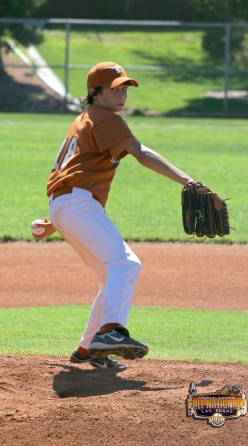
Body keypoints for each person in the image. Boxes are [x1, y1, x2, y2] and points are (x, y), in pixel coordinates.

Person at [32, 62, 194, 369]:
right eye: (114, 88)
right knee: (125, 263)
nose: (122, 95)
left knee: (112, 276)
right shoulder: (105, 119)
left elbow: (73, 171)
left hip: (68, 203)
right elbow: (139, 151)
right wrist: (188, 181)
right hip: (76, 204)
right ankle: (111, 333)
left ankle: (87, 349)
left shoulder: (85, 119)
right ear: (95, 92)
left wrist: (57, 219)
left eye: (124, 89)